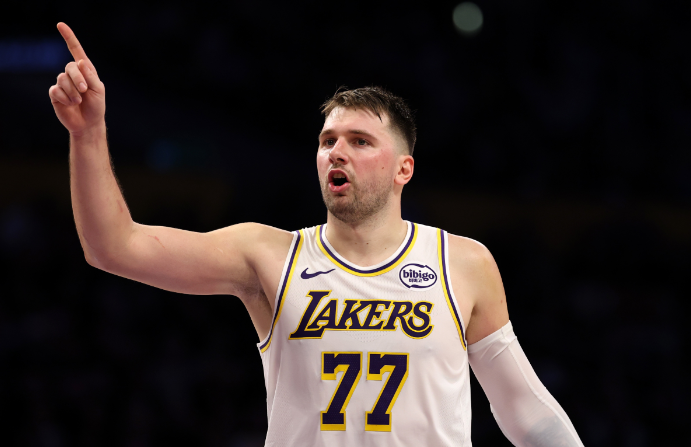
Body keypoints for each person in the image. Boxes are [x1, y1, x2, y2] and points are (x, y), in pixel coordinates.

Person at [49, 22, 584, 447]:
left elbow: (523, 408)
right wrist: (87, 133)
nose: (337, 152)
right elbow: (113, 247)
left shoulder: (462, 262)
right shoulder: (268, 254)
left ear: (403, 169)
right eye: (328, 140)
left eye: (360, 141)